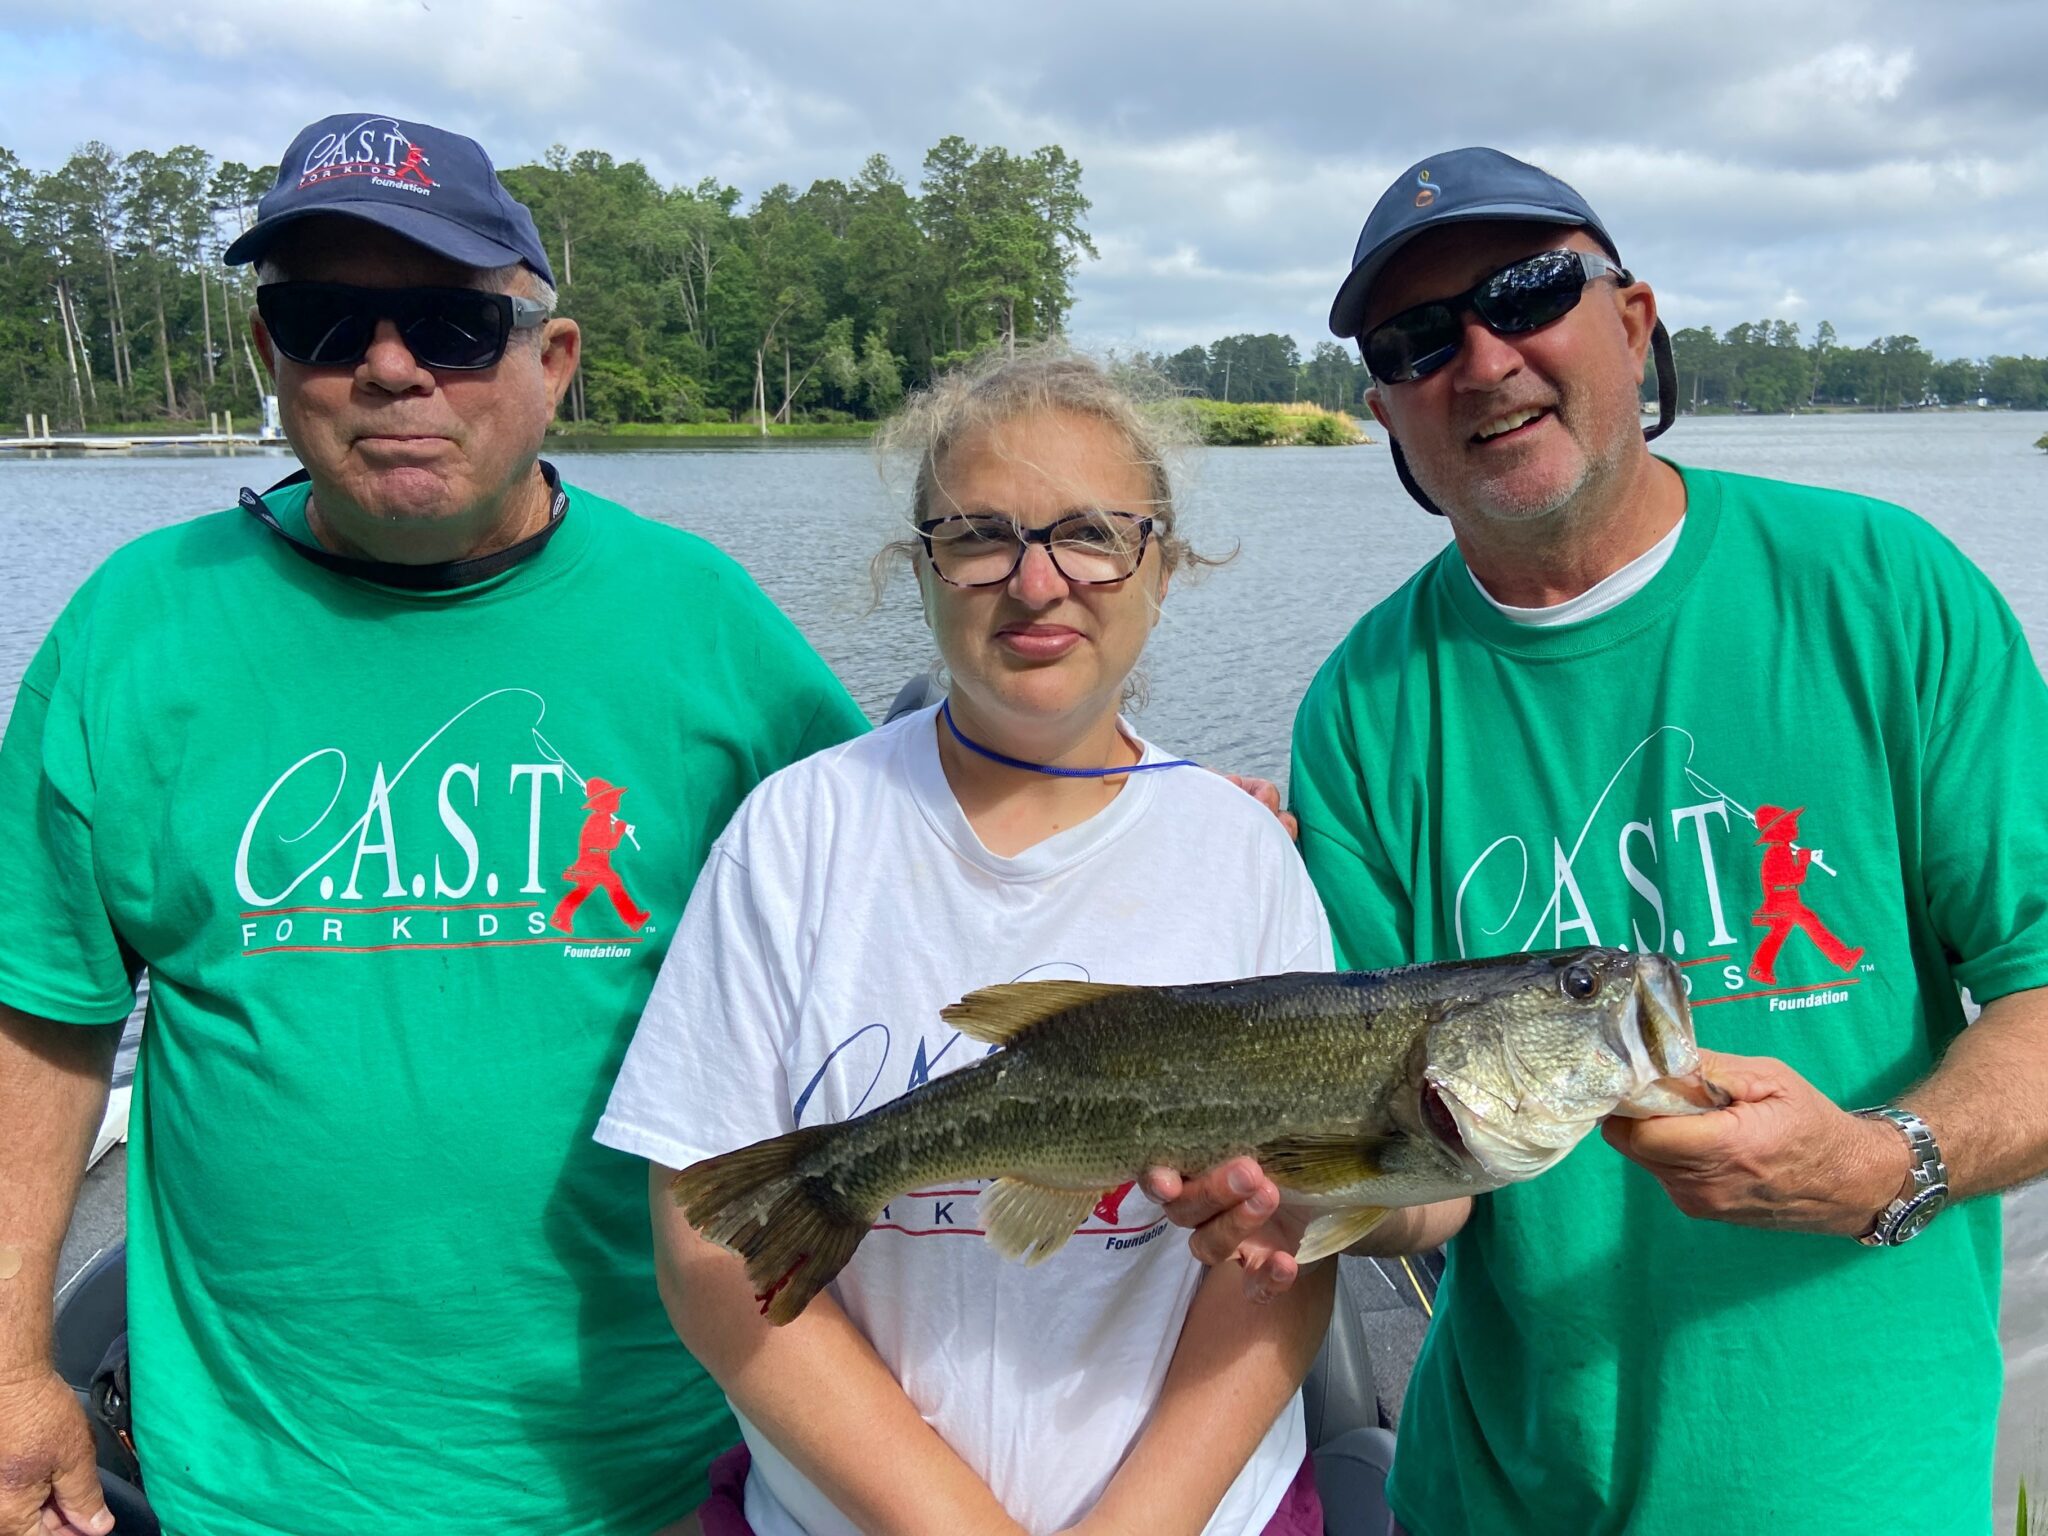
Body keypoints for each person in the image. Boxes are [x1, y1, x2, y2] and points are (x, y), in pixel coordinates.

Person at [1157, 146, 2048, 1534]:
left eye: (1526, 293)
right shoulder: (1367, 705)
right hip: (1500, 1495)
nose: (1483, 357)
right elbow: (1429, 1187)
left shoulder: (1886, 592)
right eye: (1417, 337)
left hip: (1860, 1489)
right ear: (1388, 408)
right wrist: (1283, 1193)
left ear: (1632, 321)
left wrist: (1883, 1162)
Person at [0, 113, 866, 1536]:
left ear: (553, 361)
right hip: (265, 1479)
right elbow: (41, 1007)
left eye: (455, 323)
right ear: (273, 356)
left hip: (673, 1452)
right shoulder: (133, 628)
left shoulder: (705, 624)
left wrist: (1147, 813)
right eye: (325, 317)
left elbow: (916, 871)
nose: (390, 365)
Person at [595, 347, 1337, 1536]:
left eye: (1091, 532)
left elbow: (1282, 1255)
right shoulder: (796, 831)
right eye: (980, 535)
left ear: (1163, 562)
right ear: (921, 564)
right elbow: (710, 1252)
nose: (1037, 583)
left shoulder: (1242, 856)